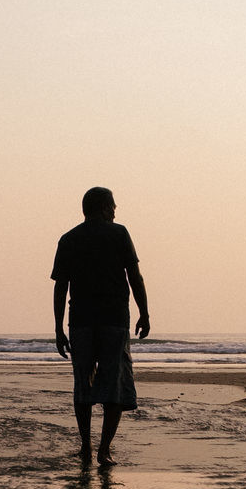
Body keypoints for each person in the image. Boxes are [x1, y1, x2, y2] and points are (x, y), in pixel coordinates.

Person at [51, 186, 150, 467]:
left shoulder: (69, 239)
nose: (116, 210)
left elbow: (61, 288)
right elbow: (135, 276)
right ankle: (104, 449)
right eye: (113, 205)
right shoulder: (119, 233)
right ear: (104, 207)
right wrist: (144, 312)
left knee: (83, 387)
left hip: (80, 322)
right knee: (114, 387)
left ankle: (86, 446)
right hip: (113, 320)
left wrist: (58, 329)